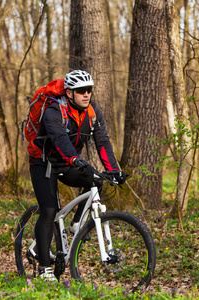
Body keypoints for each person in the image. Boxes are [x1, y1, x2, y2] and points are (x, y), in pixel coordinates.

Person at [29, 70, 126, 281]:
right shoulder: (54, 110)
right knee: (49, 210)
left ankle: (76, 224)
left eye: (89, 90)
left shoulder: (93, 112)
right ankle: (44, 267)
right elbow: (59, 139)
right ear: (69, 93)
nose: (86, 94)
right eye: (81, 91)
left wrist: (114, 169)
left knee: (97, 179)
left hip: (67, 161)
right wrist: (75, 159)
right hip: (43, 162)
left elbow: (102, 141)